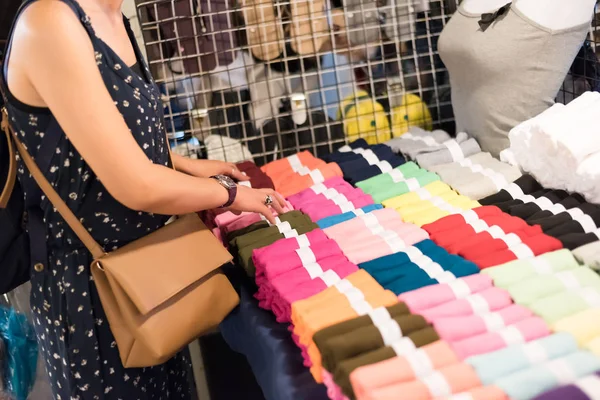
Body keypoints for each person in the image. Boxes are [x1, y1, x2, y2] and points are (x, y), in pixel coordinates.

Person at [1, 0, 286, 398]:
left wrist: (185, 164)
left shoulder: (111, 13)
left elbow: (103, 138)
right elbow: (136, 185)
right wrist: (231, 194)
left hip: (148, 281)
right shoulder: (51, 22)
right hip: (95, 297)